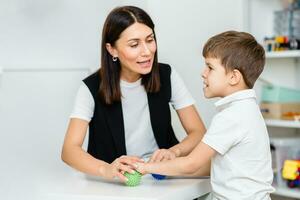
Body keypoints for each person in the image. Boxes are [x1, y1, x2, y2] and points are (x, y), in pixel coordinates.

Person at [61, 5, 206, 183]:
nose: (147, 52)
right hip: (113, 183)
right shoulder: (91, 87)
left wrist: (174, 152)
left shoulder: (167, 75)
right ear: (112, 49)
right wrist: (105, 169)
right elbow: (69, 150)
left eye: (150, 40)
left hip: (161, 177)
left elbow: (198, 132)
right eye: (134, 44)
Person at [135, 31, 275, 199]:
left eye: (210, 67)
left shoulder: (231, 116)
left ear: (233, 77)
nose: (203, 73)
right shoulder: (247, 109)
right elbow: (214, 165)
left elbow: (192, 164)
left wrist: (144, 167)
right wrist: (169, 164)